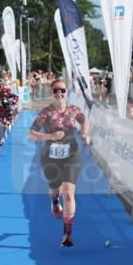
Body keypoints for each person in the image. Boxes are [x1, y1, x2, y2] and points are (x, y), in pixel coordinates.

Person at [28, 78, 89, 247]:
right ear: (52, 93)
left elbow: (84, 121)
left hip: (72, 154)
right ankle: (54, 202)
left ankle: (67, 234)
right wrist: (50, 137)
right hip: (51, 156)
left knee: (68, 193)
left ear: (66, 91)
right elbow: (31, 134)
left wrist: (85, 133)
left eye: (62, 90)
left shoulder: (74, 110)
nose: (59, 93)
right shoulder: (46, 112)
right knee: (55, 190)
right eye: (55, 90)